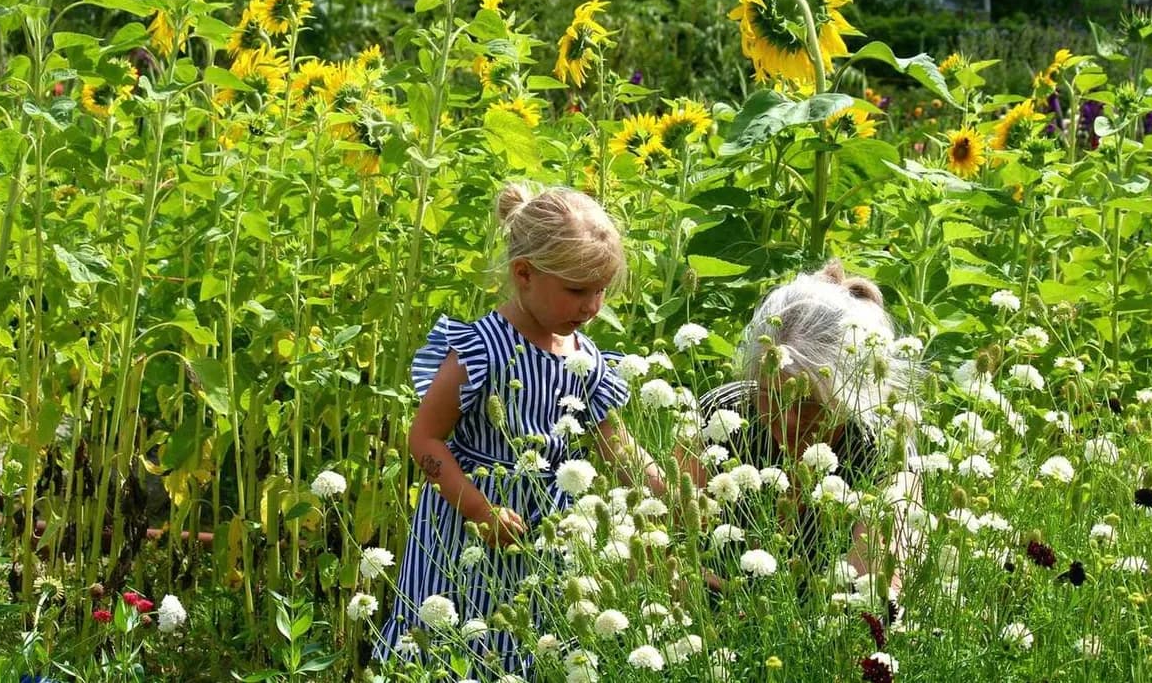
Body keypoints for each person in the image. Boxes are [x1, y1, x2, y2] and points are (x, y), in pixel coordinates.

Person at [376, 183, 654, 674]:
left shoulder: (584, 359)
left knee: (533, 652)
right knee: (453, 649)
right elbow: (424, 439)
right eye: (577, 290)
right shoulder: (481, 349)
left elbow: (616, 444)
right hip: (467, 533)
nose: (592, 306)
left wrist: (664, 491)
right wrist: (480, 510)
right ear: (523, 274)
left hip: (545, 538)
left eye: (600, 290)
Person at [692, 260, 924, 595]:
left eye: (808, 404)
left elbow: (875, 592)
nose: (787, 419)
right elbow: (670, 545)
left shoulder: (883, 450)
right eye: (771, 396)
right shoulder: (722, 416)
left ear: (851, 396)